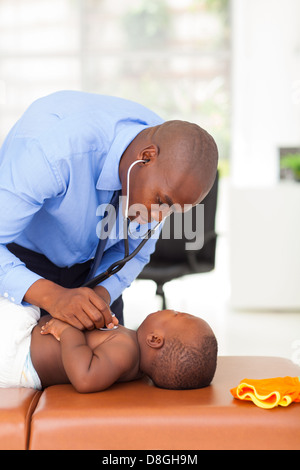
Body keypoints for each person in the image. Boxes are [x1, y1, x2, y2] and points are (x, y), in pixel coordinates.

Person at [0, 91, 218, 328]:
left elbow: (138, 251)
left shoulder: (170, 165)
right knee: (28, 360)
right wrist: (53, 296)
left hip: (95, 268)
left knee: (113, 358)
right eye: (161, 201)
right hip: (20, 261)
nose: (157, 217)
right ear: (145, 157)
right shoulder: (54, 152)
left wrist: (100, 298)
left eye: (171, 211)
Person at [0, 296, 218, 392]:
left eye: (176, 314)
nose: (171, 309)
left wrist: (69, 332)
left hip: (17, 354)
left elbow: (85, 378)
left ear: (154, 340)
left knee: (16, 300)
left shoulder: (125, 352)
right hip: (23, 339)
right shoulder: (129, 349)